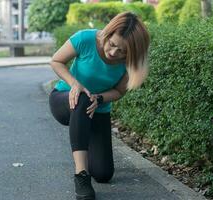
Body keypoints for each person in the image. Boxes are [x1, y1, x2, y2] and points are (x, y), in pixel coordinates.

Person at [49, 11, 150, 200]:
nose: (113, 53)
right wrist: (75, 84)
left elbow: (119, 92)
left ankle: (83, 133)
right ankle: (81, 176)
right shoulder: (86, 38)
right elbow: (56, 61)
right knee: (82, 97)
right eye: (112, 45)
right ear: (109, 33)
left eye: (122, 52)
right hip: (65, 100)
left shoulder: (130, 62)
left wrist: (100, 98)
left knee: (104, 174)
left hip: (98, 110)